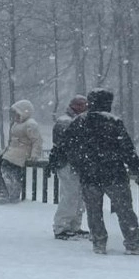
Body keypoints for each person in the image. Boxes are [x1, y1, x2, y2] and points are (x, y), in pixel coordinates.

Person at [58, 88, 139, 255]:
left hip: (89, 175)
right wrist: (136, 168)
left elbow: (66, 146)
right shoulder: (113, 122)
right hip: (114, 174)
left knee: (94, 211)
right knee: (125, 210)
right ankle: (133, 243)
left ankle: (99, 242)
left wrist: (80, 163)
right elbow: (127, 149)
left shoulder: (79, 122)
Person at [46, 95, 89, 240]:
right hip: (68, 164)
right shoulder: (66, 122)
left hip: (75, 164)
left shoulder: (76, 121)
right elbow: (67, 145)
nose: (85, 107)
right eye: (82, 105)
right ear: (75, 106)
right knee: (70, 195)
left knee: (78, 195)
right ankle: (62, 227)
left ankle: (74, 226)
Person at [0, 100, 43, 203]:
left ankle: (10, 191)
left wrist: (35, 154)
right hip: (13, 149)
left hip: (22, 151)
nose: (14, 115)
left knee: (8, 166)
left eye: (16, 112)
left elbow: (37, 140)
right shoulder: (16, 124)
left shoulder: (30, 124)